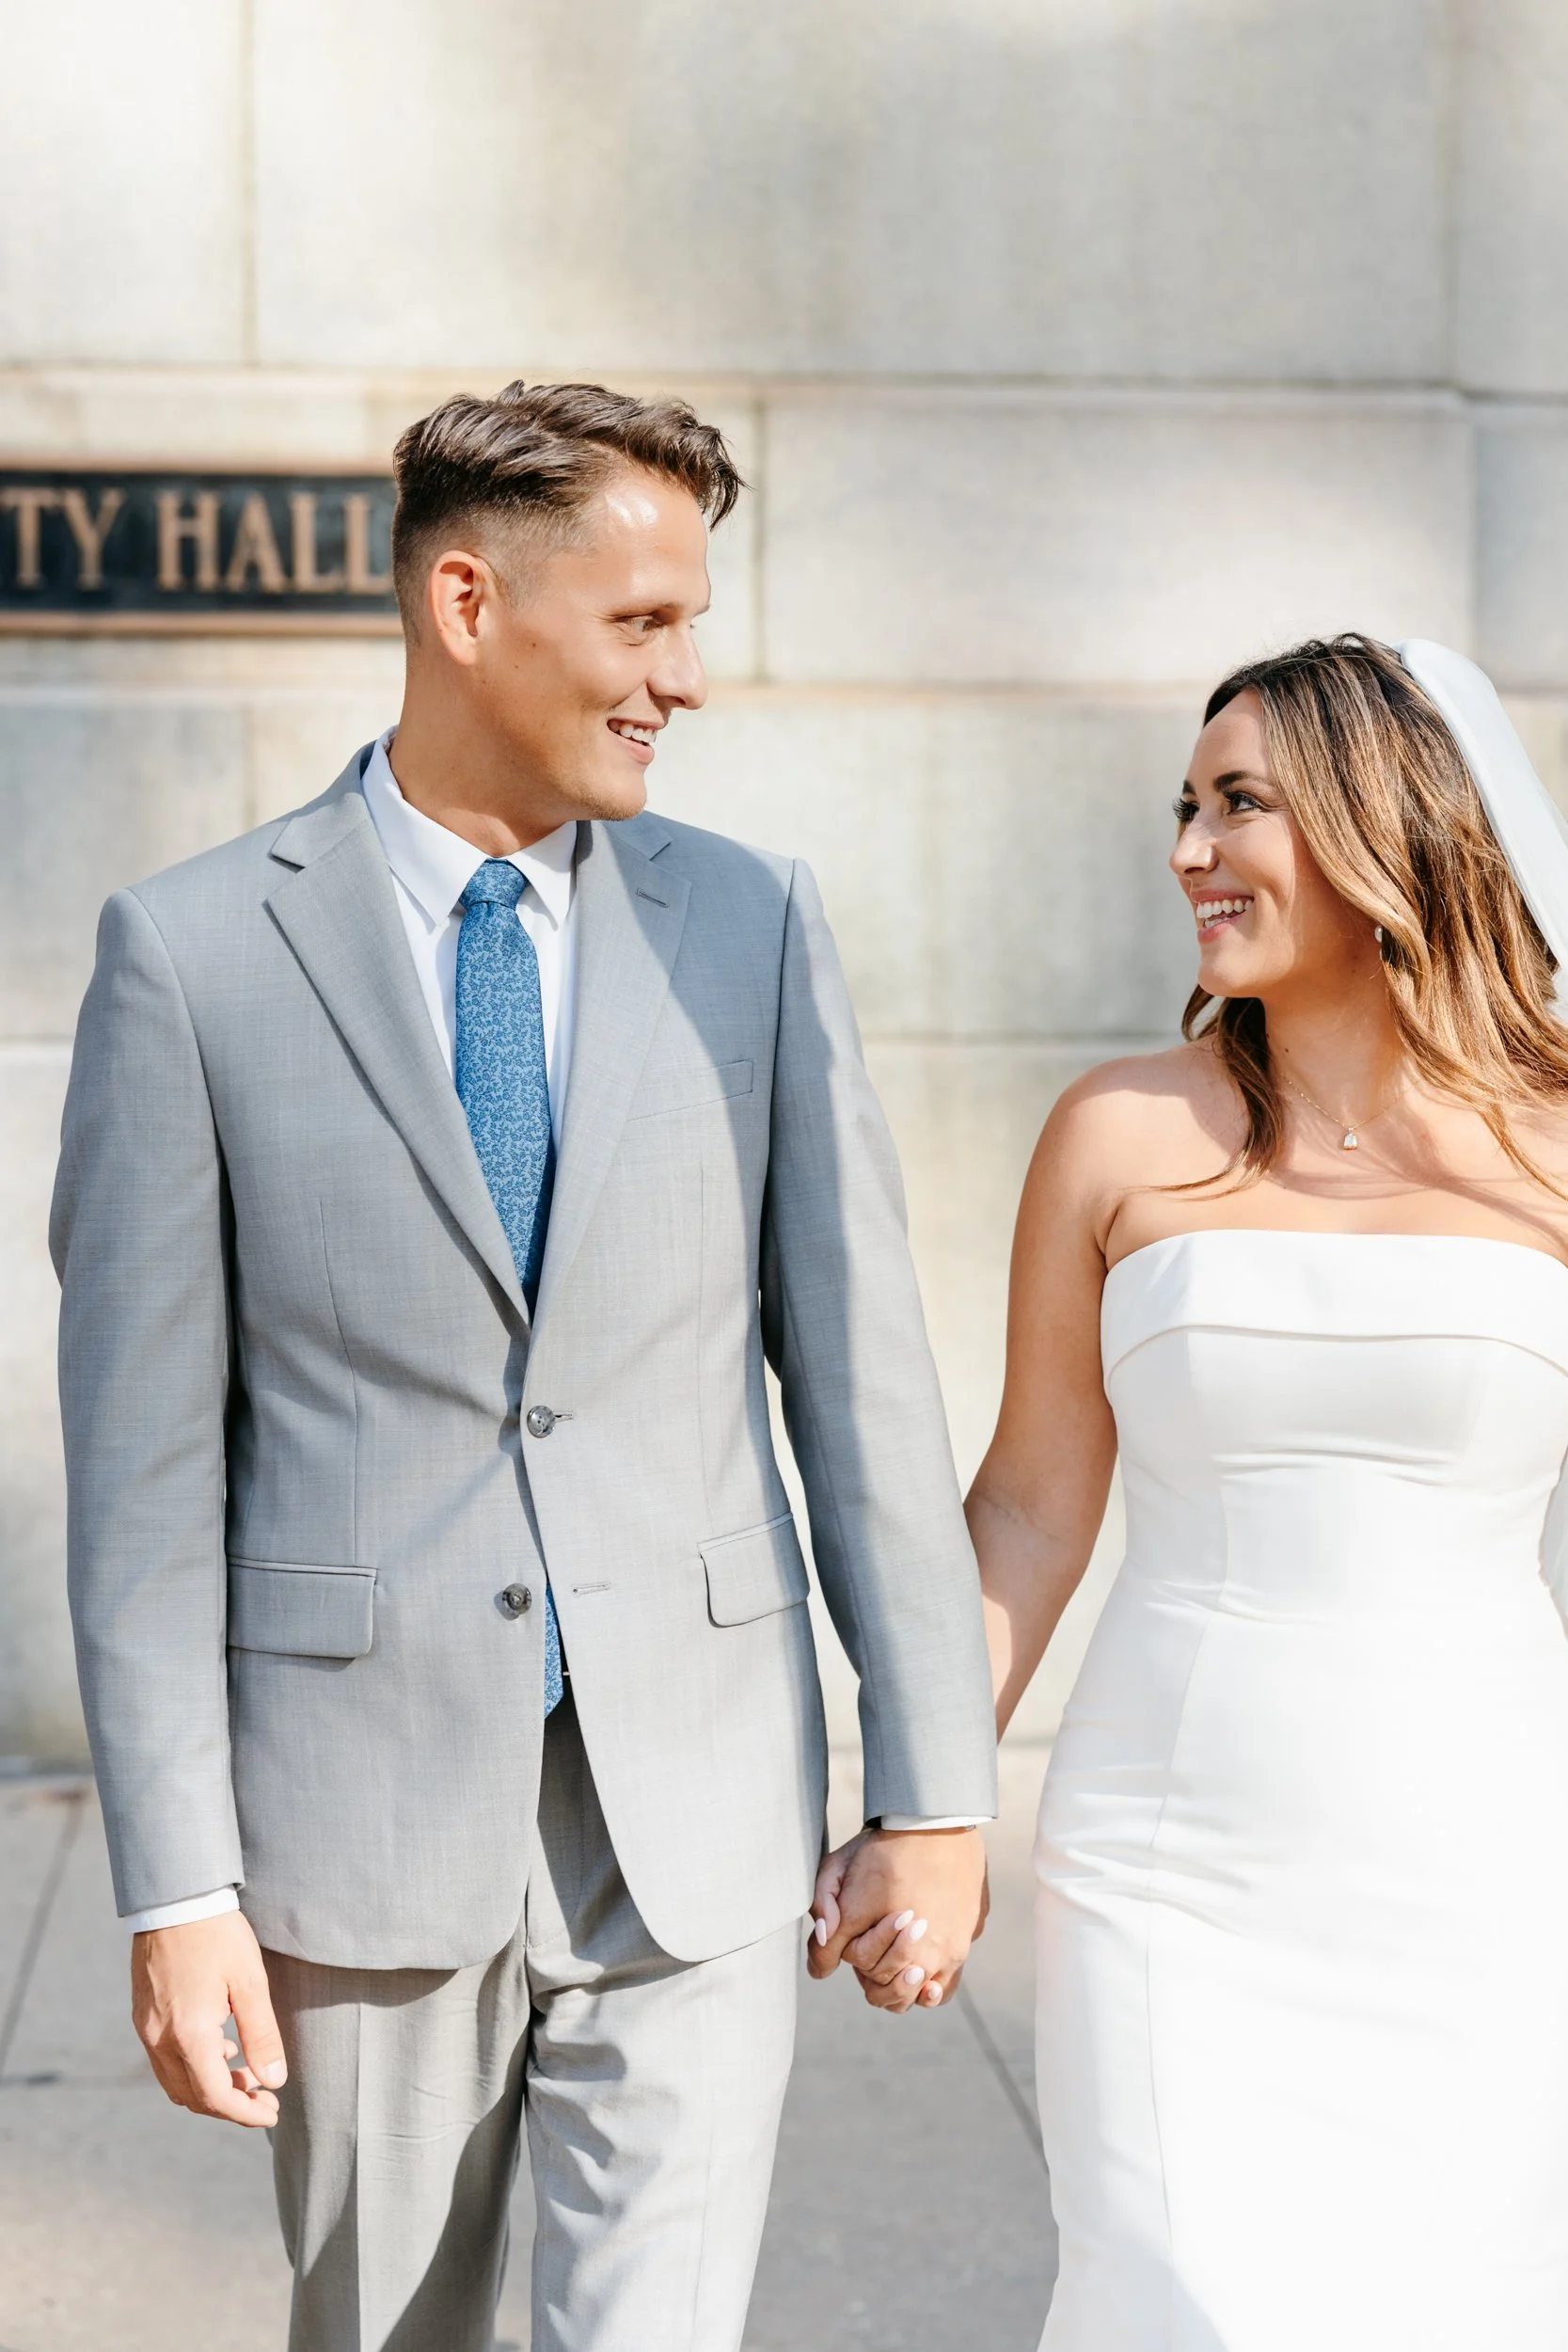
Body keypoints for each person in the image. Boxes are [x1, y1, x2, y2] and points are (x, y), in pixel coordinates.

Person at [50, 380, 996, 2352]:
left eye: (693, 622)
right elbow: (142, 1479)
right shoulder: (193, 953)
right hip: (354, 1828)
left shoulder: (747, 926)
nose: (689, 680)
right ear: (468, 603)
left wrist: (931, 1785)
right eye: (644, 624)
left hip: (700, 1818)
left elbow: (862, 1392)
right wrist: (175, 1884)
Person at [968, 634, 1568, 2349]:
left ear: (1388, 827)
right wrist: (928, 1811)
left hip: (1491, 1859)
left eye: (1241, 804)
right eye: (1184, 805)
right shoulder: (1116, 1133)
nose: (1187, 850)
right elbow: (1022, 1509)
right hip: (1172, 1865)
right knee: (1182, 2301)